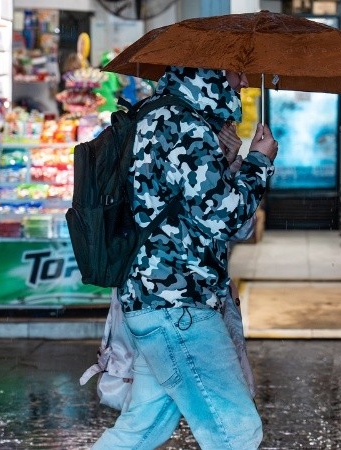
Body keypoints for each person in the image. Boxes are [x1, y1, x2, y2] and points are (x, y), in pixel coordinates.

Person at [92, 66, 278, 450]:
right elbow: (225, 217)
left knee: (142, 430)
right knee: (236, 432)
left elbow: (190, 208)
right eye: (237, 72)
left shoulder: (164, 114)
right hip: (178, 305)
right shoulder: (184, 124)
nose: (244, 82)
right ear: (212, 70)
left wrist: (230, 164)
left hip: (156, 300)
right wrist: (259, 162)